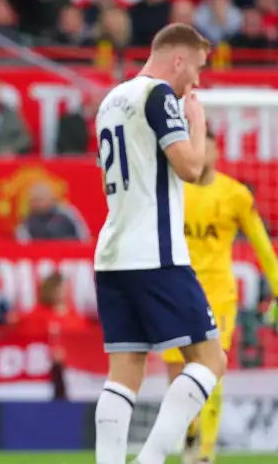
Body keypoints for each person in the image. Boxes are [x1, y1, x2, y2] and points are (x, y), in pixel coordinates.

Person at [93, 23, 227, 464]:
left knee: (124, 372)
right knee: (210, 360)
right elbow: (191, 169)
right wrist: (198, 127)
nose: (197, 81)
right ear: (178, 60)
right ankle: (151, 460)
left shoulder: (111, 100)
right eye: (197, 69)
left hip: (112, 253)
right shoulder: (158, 95)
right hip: (156, 252)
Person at [164, 128, 278, 464]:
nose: (200, 153)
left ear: (215, 152)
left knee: (212, 368)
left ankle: (206, 453)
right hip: (176, 294)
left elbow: (262, 246)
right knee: (180, 376)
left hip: (217, 296)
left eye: (206, 147)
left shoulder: (236, 194)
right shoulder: (172, 191)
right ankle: (190, 436)